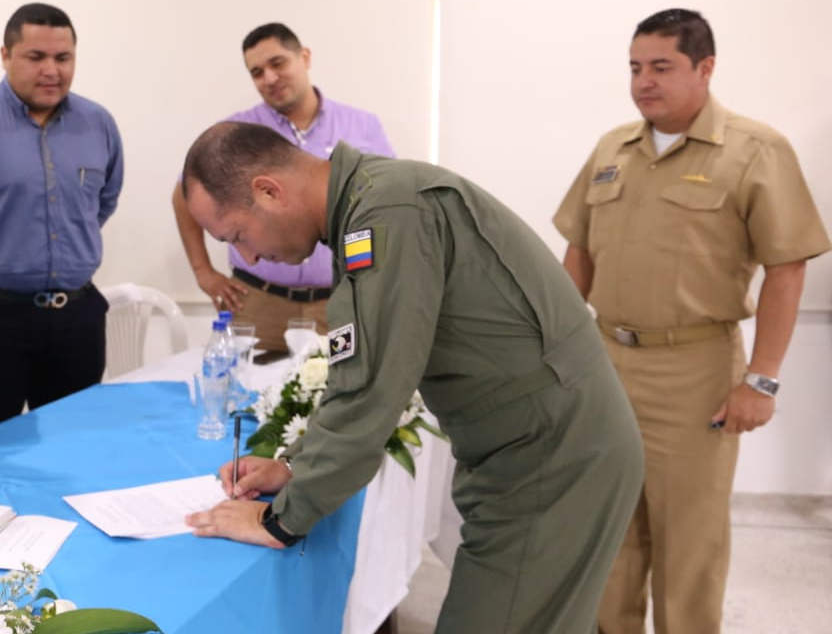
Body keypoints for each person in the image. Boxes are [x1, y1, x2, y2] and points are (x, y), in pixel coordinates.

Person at [181, 122, 644, 633]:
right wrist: (295, 465)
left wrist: (280, 520)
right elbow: (357, 367)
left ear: (268, 190)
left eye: (238, 236)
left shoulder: (388, 215)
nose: (247, 258)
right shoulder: (368, 207)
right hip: (535, 449)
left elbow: (372, 388)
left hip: (552, 458)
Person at [552, 8, 829, 634]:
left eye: (661, 67)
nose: (643, 81)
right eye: (634, 68)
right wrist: (564, 354)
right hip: (605, 362)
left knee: (688, 542)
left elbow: (788, 268)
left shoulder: (755, 151)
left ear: (705, 69)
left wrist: (761, 380)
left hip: (695, 370)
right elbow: (580, 251)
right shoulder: (612, 148)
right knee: (610, 527)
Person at [0, 3, 123, 422]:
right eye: (36, 57)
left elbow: (103, 203)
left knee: (74, 443)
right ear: (5, 56)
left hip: (78, 318)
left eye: (63, 58)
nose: (51, 71)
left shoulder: (99, 124)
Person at [171, 23, 394, 352]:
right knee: (250, 397)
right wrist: (203, 271)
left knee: (335, 390)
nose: (270, 78)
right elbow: (184, 195)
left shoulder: (361, 126)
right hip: (259, 300)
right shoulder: (237, 133)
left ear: (304, 57)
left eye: (278, 63)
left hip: (335, 301)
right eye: (257, 72)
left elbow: (382, 205)